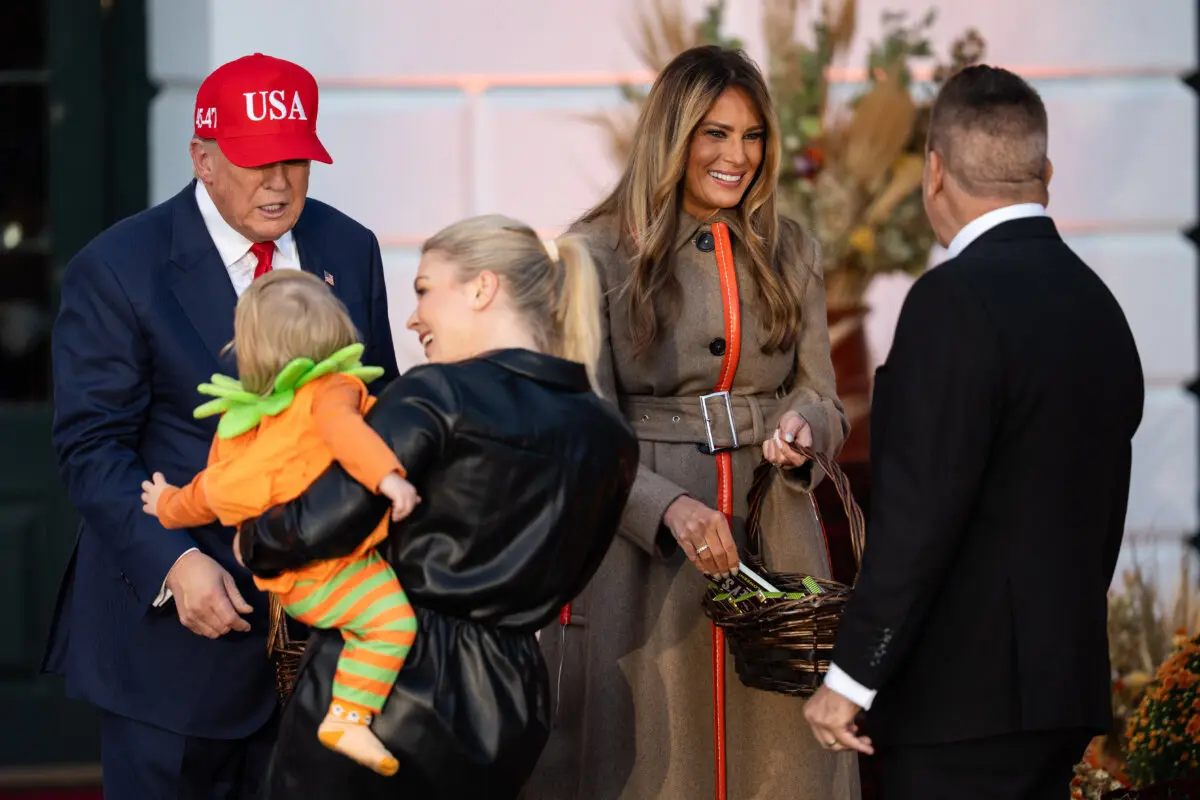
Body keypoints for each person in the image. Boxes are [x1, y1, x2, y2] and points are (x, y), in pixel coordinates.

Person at [44, 52, 399, 798]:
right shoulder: (117, 267)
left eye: (296, 159)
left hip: (329, 651)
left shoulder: (350, 246)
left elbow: (379, 406)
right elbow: (92, 449)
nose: (280, 182)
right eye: (256, 161)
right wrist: (174, 566)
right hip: (177, 648)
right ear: (203, 159)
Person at [525, 46, 859, 799]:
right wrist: (663, 506)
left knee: (778, 767)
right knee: (650, 763)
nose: (737, 156)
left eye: (752, 136)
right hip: (640, 550)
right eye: (714, 133)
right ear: (672, 136)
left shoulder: (793, 248)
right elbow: (579, 427)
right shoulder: (591, 253)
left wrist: (806, 429)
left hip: (773, 538)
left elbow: (825, 396)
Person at [803, 65, 1144, 799]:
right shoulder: (1098, 305)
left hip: (962, 707)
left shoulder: (951, 303)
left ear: (933, 173)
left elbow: (921, 513)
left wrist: (851, 676)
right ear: (1045, 172)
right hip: (1061, 695)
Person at [234, 215, 640, 797]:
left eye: (425, 289)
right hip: (513, 696)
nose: (412, 315)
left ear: (482, 287)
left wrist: (253, 537)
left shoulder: (434, 393)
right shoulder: (609, 433)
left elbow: (326, 520)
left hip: (384, 680)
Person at [140, 269, 420, 776]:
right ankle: (348, 718)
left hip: (286, 583)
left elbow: (210, 490)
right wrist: (389, 479)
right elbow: (347, 434)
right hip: (330, 569)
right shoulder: (333, 390)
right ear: (335, 331)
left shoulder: (249, 420)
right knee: (391, 625)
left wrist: (165, 503)